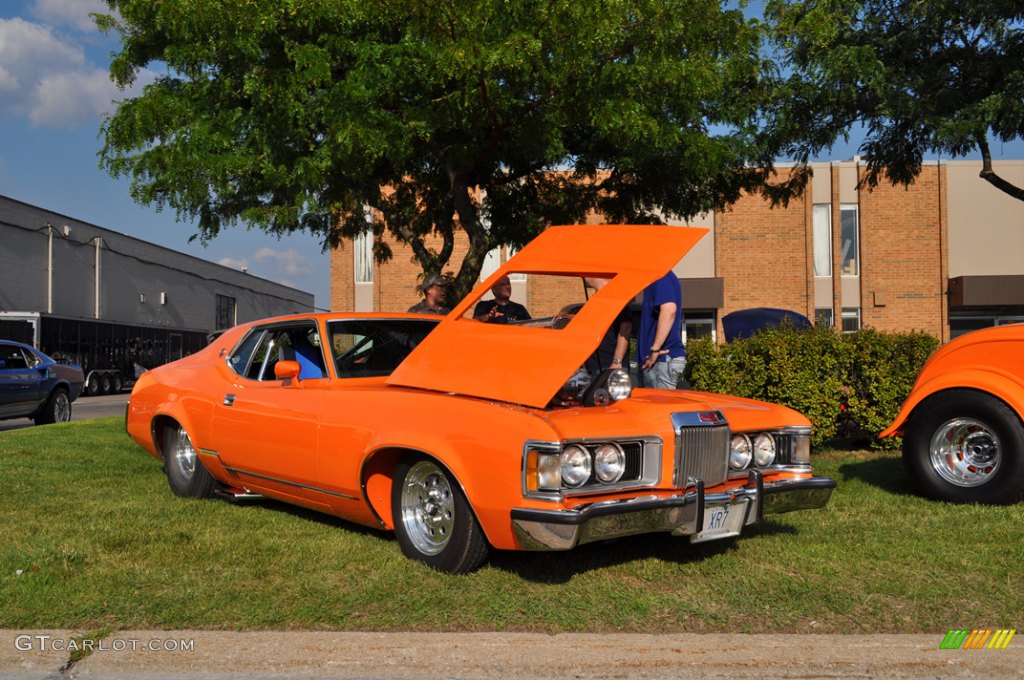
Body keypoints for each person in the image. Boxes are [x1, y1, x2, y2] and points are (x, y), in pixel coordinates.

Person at [636, 270, 685, 389]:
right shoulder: (660, 277)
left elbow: (669, 310)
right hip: (660, 359)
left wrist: (655, 350)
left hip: (661, 359)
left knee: (661, 405)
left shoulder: (660, 276)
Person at [582, 277, 631, 376]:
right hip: (593, 366)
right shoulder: (596, 298)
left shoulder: (615, 297)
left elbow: (626, 327)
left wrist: (617, 361)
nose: (584, 277)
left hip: (609, 365)